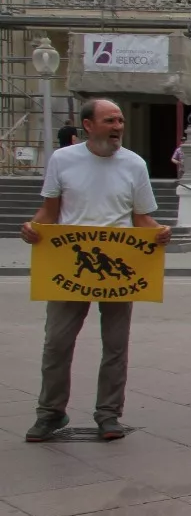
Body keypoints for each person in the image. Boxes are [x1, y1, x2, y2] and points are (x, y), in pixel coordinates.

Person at [21, 99, 171, 442]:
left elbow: (142, 218)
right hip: (69, 266)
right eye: (109, 120)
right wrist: (31, 227)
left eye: (120, 120)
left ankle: (108, 414)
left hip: (120, 267)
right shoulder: (63, 160)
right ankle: (50, 413)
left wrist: (159, 232)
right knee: (57, 343)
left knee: (115, 345)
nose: (118, 126)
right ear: (88, 125)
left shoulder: (134, 165)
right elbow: (49, 211)